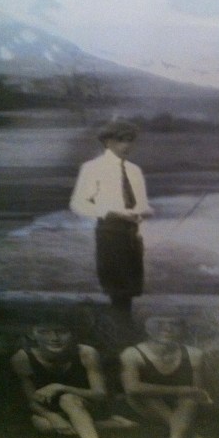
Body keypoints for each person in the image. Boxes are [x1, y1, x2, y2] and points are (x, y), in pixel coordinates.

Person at [11, 316, 136, 438]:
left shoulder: (86, 352)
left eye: (62, 331)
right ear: (32, 334)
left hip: (86, 405)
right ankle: (114, 424)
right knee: (44, 425)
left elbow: (100, 394)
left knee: (68, 399)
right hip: (54, 409)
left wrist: (60, 387)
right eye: (44, 332)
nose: (54, 338)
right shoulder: (22, 358)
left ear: (72, 333)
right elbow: (32, 400)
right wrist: (53, 417)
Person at [70, 120, 153, 315]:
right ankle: (118, 326)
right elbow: (78, 204)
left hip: (133, 234)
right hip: (109, 232)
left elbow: (141, 204)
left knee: (131, 288)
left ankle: (125, 324)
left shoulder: (134, 170)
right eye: (121, 140)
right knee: (116, 288)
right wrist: (109, 212)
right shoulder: (92, 168)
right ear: (107, 142)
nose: (127, 145)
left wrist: (144, 211)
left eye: (130, 140)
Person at [120, 316, 214, 438]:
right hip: (145, 404)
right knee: (149, 397)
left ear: (181, 329)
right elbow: (132, 388)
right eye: (159, 323)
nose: (167, 328)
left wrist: (187, 393)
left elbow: (196, 390)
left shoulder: (195, 354)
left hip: (183, 406)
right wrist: (181, 390)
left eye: (174, 324)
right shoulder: (131, 354)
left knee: (189, 400)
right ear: (147, 328)